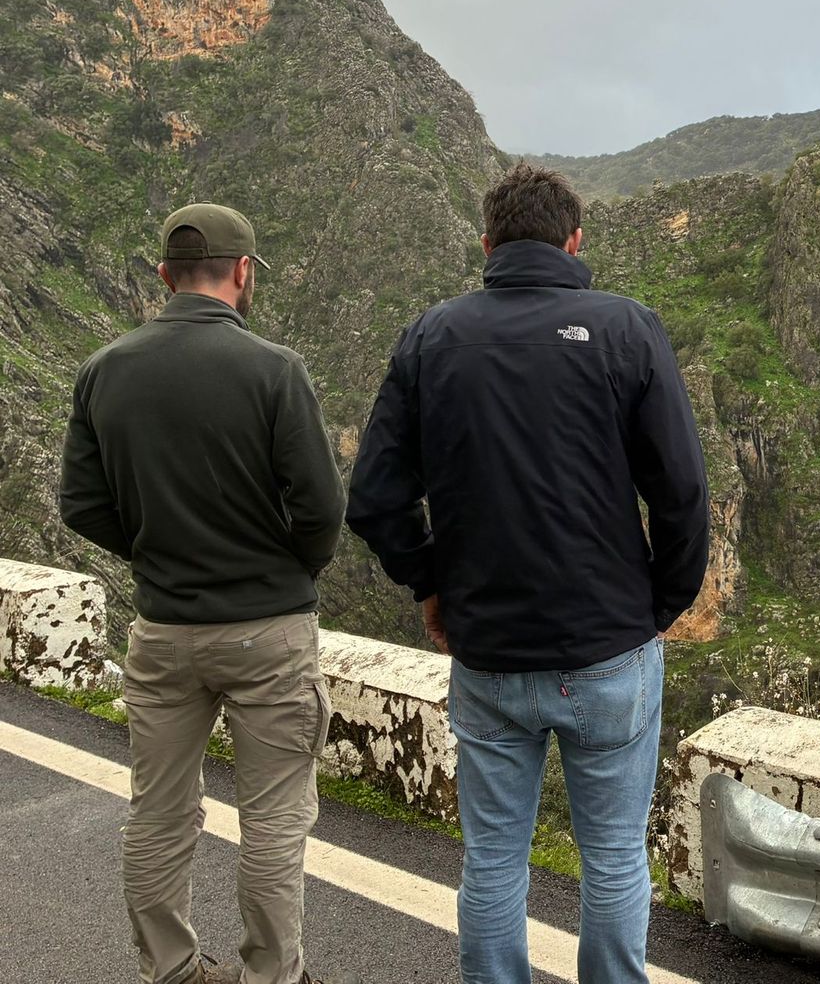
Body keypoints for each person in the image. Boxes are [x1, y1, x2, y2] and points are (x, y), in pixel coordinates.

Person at [345, 163, 710, 984]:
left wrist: (433, 586)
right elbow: (682, 492)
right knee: (614, 858)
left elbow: (372, 498)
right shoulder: (627, 328)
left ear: (487, 244)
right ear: (575, 242)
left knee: (495, 861)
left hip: (489, 653)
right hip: (610, 649)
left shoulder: (432, 336)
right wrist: (660, 605)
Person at [59, 204, 348, 984]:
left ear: (163, 275)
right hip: (268, 632)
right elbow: (321, 508)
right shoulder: (274, 370)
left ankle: (172, 969)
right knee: (274, 818)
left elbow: (81, 505)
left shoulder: (104, 370)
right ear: (243, 272)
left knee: (156, 813)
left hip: (162, 631)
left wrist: (156, 551)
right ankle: (270, 974)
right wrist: (292, 571)